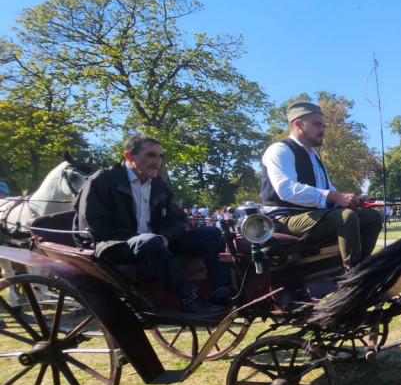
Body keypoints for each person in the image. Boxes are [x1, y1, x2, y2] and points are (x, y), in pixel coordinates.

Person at [74, 135, 231, 318]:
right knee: (148, 241)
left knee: (212, 233)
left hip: (154, 243)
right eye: (151, 155)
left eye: (160, 156)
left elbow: (178, 219)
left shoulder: (157, 184)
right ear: (129, 156)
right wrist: (140, 238)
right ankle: (190, 300)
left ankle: (220, 293)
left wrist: (166, 236)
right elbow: (94, 224)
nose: (157, 161)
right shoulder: (103, 180)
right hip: (111, 245)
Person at [260, 102, 383, 269]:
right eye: (317, 124)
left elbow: (327, 190)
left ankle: (363, 264)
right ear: (298, 124)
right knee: (345, 217)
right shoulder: (280, 150)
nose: (322, 129)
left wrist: (353, 199)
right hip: (282, 219)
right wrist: (333, 197)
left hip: (313, 215)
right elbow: (286, 190)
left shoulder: (313, 156)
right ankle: (352, 271)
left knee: (372, 217)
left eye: (324, 125)